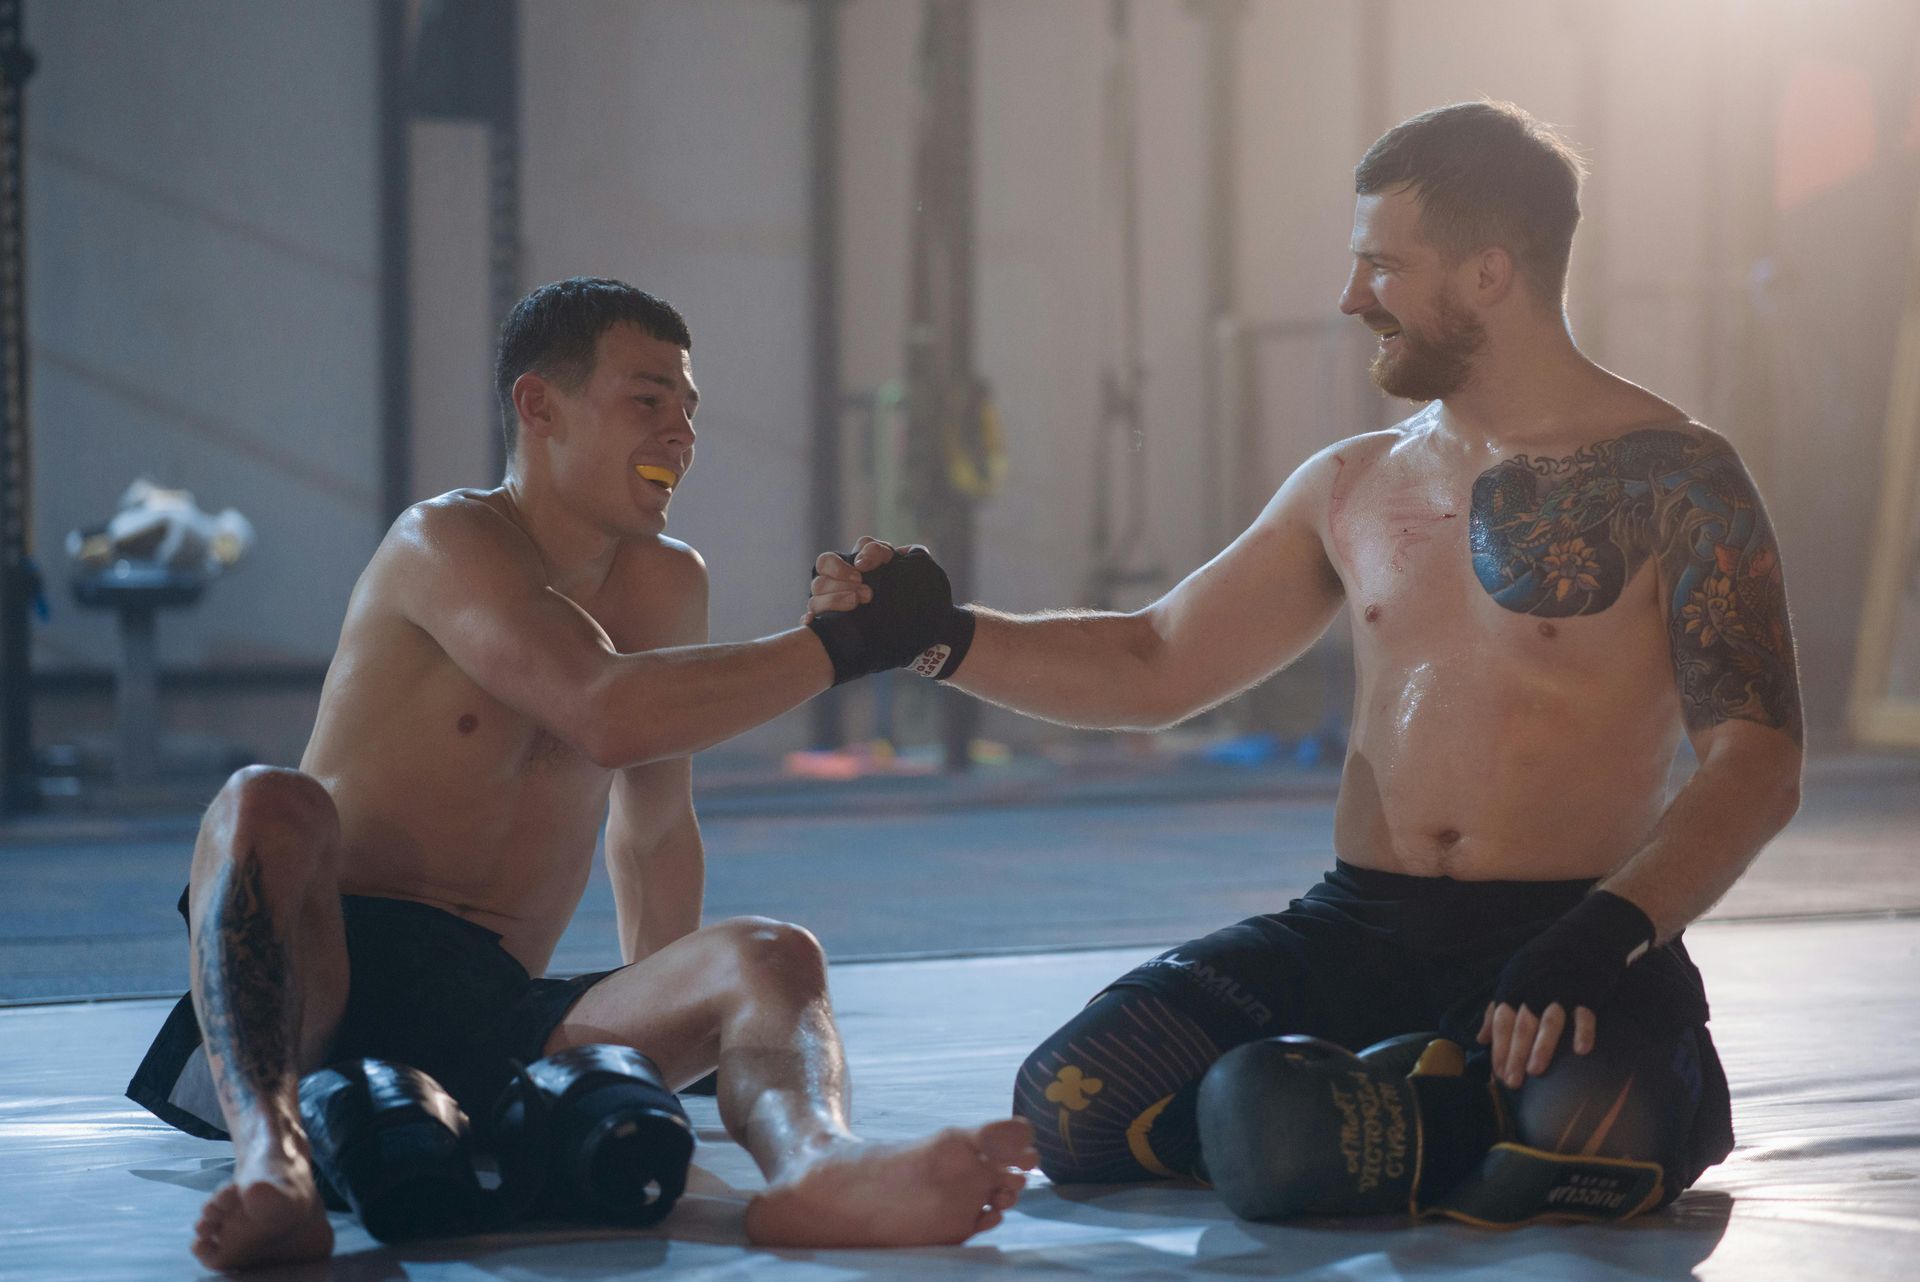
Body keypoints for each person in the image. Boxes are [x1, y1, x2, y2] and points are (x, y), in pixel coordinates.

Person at [809, 102, 1801, 1214]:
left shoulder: (1680, 477)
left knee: (1588, 1140)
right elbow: (1156, 660)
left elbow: (1755, 759)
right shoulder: (1352, 481)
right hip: (1359, 927)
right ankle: (1388, 1119)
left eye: (1381, 265)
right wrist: (937, 637)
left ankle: (1367, 1121)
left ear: (1487, 274)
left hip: (1571, 935)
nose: (1349, 298)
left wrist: (1609, 932)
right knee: (1074, 1102)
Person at [127, 277, 1034, 1271]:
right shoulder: (446, 542)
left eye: (689, 409)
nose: (681, 431)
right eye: (648, 399)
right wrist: (847, 645)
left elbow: (652, 825)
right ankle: (276, 1161)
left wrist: (669, 1040)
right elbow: (604, 710)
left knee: (773, 955)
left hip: (497, 1014)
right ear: (540, 405)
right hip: (317, 988)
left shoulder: (668, 578)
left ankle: (818, 1165)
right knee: (266, 799)